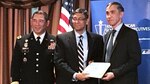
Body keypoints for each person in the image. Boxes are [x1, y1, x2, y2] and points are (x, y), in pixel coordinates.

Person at [54, 8, 104, 84]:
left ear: (86, 21)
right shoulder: (61, 38)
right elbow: (59, 61)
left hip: (90, 81)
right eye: (74, 19)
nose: (77, 22)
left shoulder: (97, 39)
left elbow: (100, 59)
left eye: (80, 19)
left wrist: (94, 65)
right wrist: (75, 75)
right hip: (69, 80)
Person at [11, 10, 56, 84]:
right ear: (31, 22)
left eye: (41, 21)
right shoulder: (21, 41)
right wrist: (15, 80)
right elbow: (15, 64)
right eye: (34, 21)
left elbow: (58, 66)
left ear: (47, 23)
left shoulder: (55, 41)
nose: (37, 24)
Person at [101, 2, 141, 84]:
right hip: (106, 81)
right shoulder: (106, 35)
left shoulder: (130, 34)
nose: (109, 16)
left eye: (112, 12)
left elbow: (135, 60)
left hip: (124, 80)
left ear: (121, 14)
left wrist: (115, 73)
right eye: (107, 13)